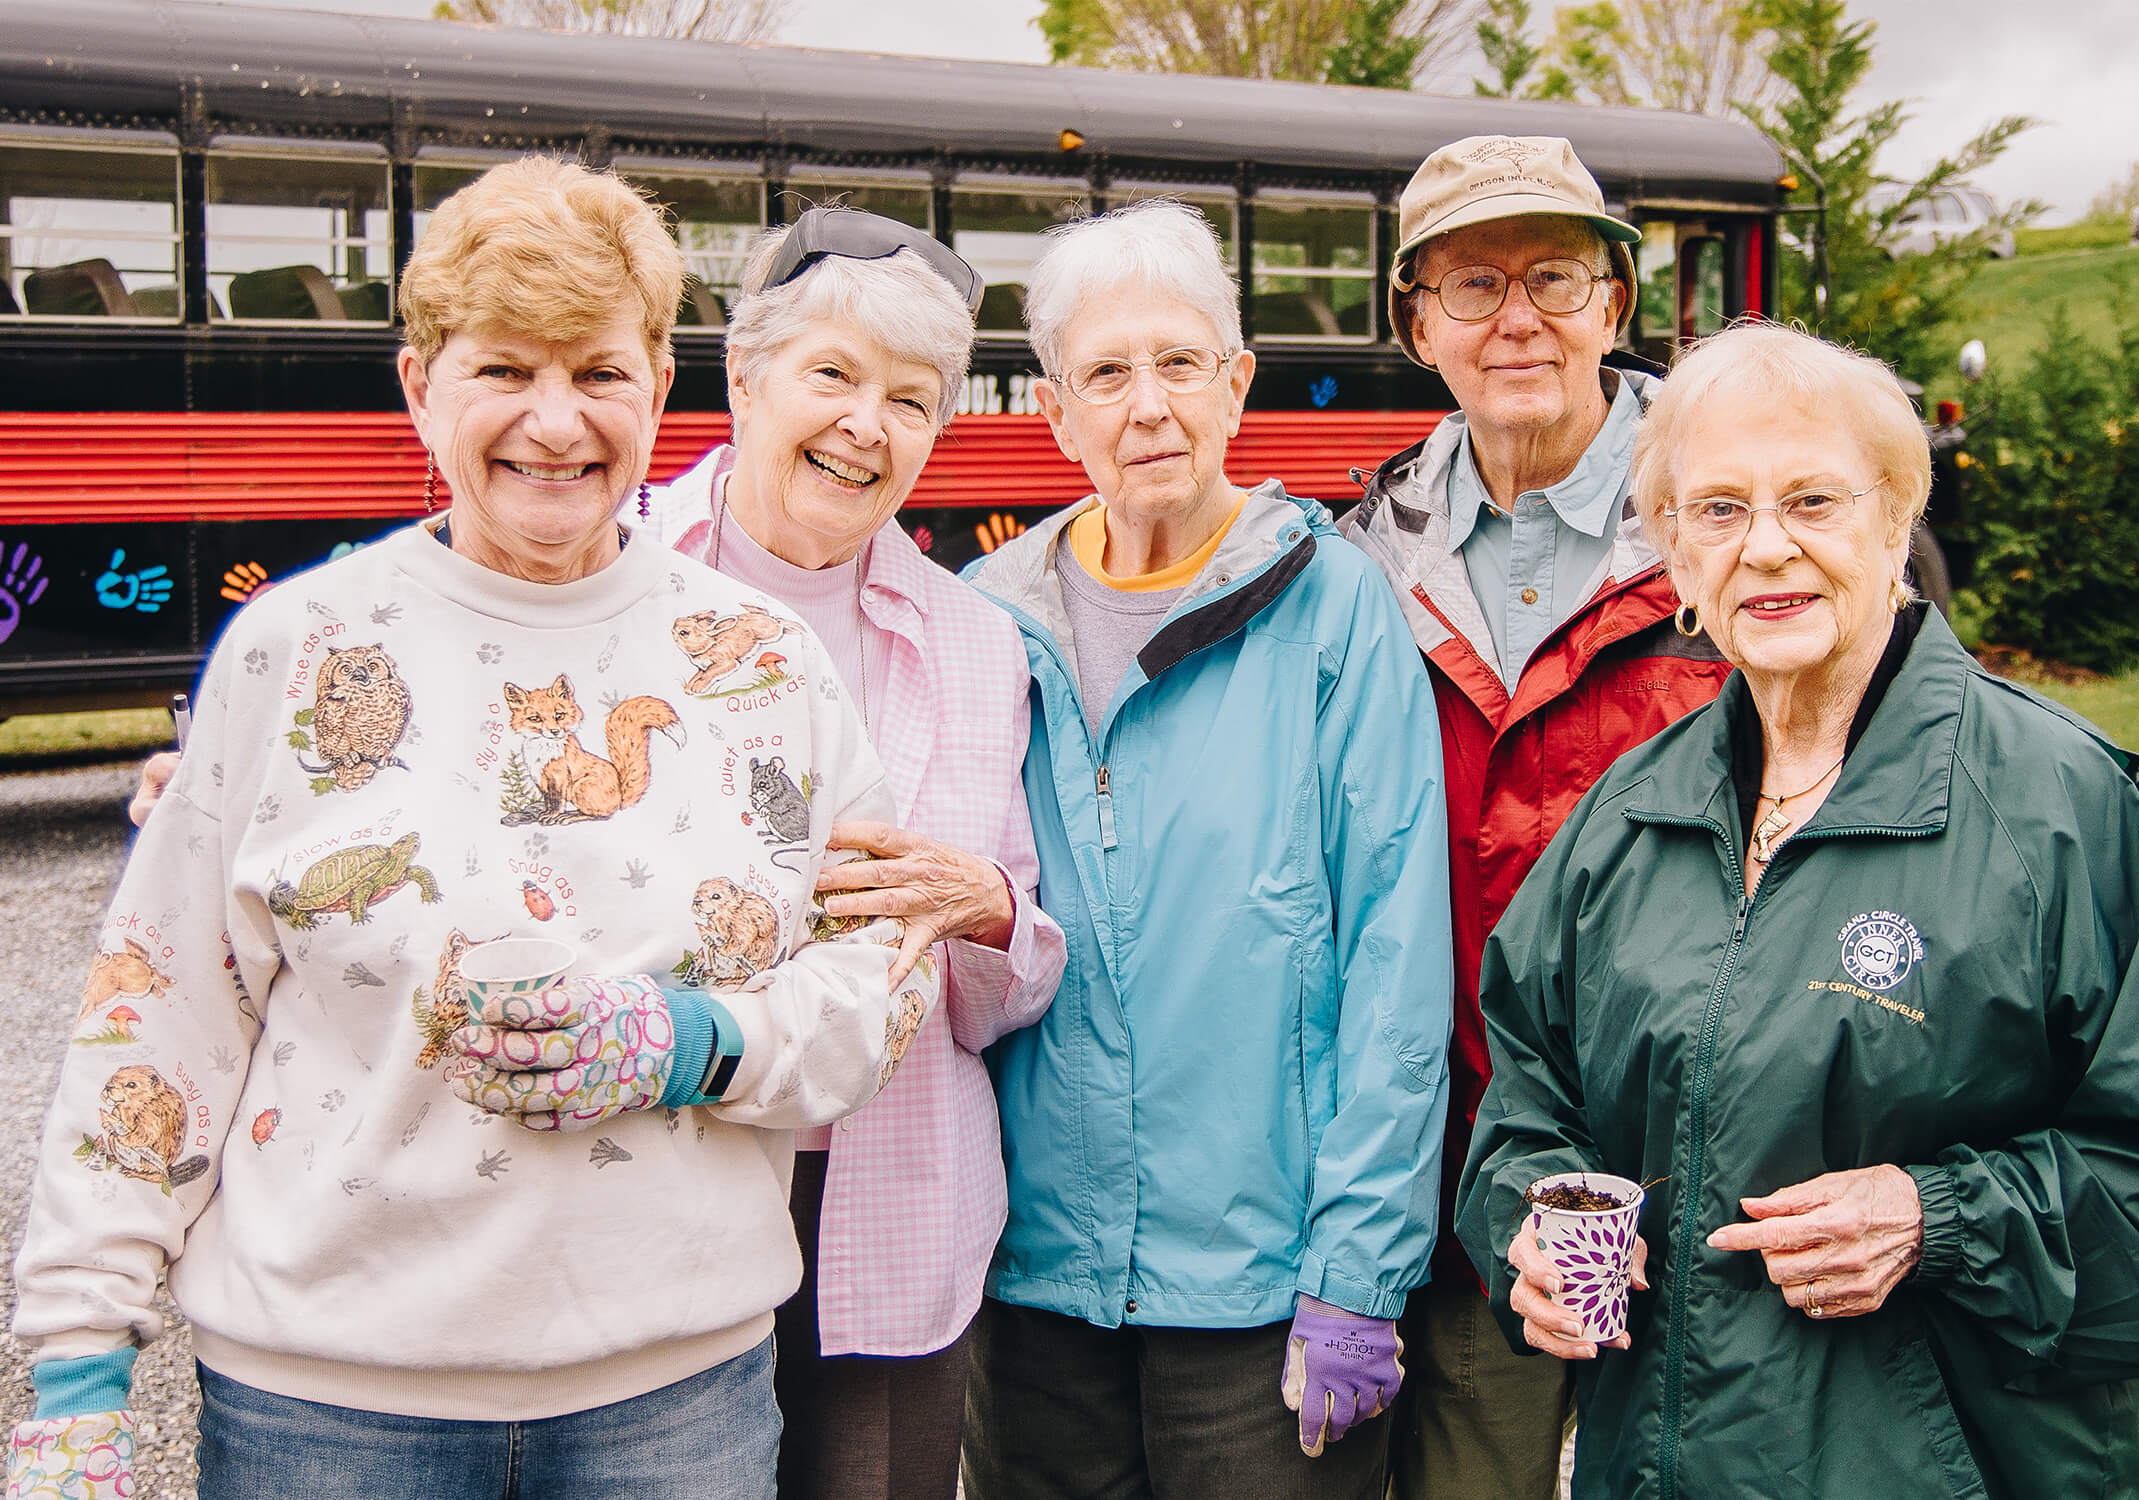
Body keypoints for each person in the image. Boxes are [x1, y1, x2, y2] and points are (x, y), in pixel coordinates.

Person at [10, 157, 932, 1500]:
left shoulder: (760, 661)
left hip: (673, 1399)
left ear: (659, 391)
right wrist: (79, 1370)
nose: (555, 423)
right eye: (505, 370)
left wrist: (702, 1044)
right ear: (418, 386)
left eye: (599, 374)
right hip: (327, 1408)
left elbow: (880, 975)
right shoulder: (299, 648)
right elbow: (157, 1015)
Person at [1462, 321, 2139, 1497]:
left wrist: (1935, 1220)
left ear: (1894, 519)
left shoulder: (2050, 807)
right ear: (1673, 561)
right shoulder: (1628, 813)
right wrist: (1526, 1229)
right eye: (1715, 511)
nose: (1763, 549)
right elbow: (1529, 1105)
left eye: (1810, 501)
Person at [957, 200, 1452, 1499]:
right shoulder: (983, 624)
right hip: (1035, 1283)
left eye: (1180, 363)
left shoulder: (1335, 608)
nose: (1150, 407)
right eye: (1107, 374)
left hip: (1266, 1288)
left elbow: (1396, 961)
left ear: (1237, 385)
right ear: (1056, 414)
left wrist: (1360, 1271)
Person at [622, 206, 1066, 1500]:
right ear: (743, 377)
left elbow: (1016, 978)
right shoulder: (607, 566)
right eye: (833, 375)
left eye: (912, 399)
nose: (868, 424)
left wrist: (987, 909)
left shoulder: (976, 644)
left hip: (888, 1196)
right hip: (652, 1177)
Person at [1335, 133, 1732, 1495]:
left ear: (1615, 307)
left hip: (1693, 1144)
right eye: (1471, 286)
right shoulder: (1355, 557)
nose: (1517, 318)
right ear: (1418, 326)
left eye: (1556, 277)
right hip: (1438, 1145)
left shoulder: (1731, 530)